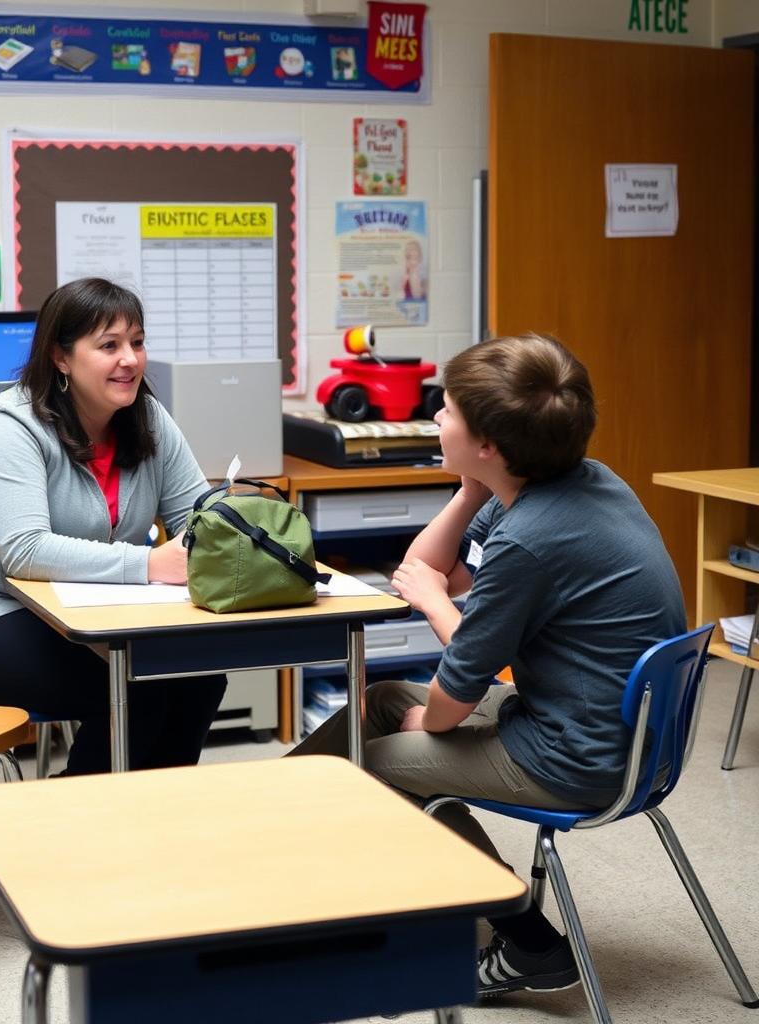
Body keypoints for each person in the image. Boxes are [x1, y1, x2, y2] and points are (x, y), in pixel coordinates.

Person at [291, 333, 685, 998]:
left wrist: (437, 612)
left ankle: (531, 944)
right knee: (385, 700)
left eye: (445, 412)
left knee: (376, 769)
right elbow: (422, 570)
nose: (435, 420)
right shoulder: (582, 483)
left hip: (576, 757)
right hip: (622, 733)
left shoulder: (529, 540)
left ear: (489, 445)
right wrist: (469, 493)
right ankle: (285, 804)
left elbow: (450, 693)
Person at [0, 277, 226, 775]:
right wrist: (151, 562)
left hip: (73, 613)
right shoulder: (10, 429)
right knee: (134, 690)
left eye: (137, 343)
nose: (130, 360)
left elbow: (199, 520)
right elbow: (26, 551)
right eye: (109, 346)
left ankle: (150, 811)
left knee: (198, 677)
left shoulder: (148, 419)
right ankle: (74, 826)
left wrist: (220, 536)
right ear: (61, 357)